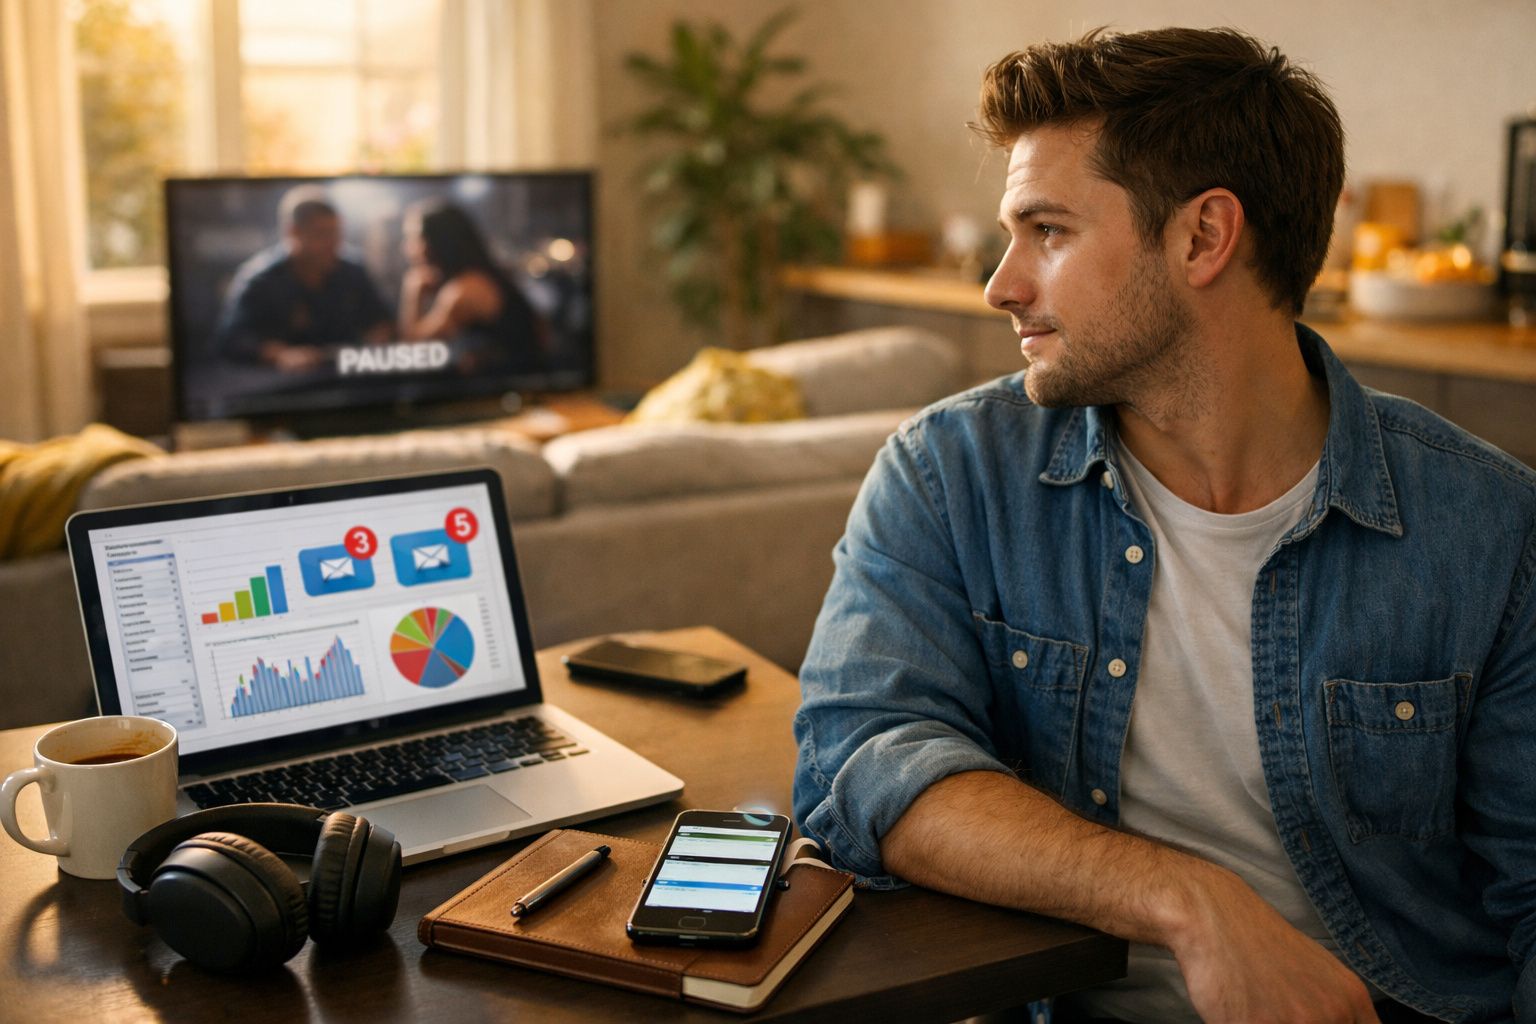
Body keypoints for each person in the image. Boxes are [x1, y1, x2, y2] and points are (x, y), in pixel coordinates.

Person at [792, 26, 1535, 1024]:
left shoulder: (1487, 525)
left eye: (1048, 231)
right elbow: (860, 756)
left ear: (1202, 238)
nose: (1001, 284)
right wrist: (1188, 901)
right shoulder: (951, 474)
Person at [216, 185, 393, 373]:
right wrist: (281, 354)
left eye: (336, 233)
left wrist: (374, 341)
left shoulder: (353, 270)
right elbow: (231, 339)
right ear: (293, 232)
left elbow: (382, 320)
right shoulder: (259, 279)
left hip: (348, 381)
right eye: (322, 234)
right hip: (282, 387)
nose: (333, 243)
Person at [397, 199, 547, 374]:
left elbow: (413, 351)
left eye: (413, 238)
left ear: (435, 241)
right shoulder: (479, 276)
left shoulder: (464, 290)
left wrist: (413, 292)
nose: (407, 248)